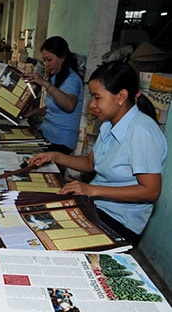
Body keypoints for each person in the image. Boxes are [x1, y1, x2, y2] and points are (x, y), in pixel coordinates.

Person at [27, 61, 167, 246]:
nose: (92, 105)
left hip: (118, 221)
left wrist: (92, 190)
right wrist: (55, 156)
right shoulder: (110, 124)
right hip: (95, 206)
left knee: (46, 238)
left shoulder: (142, 132)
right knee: (34, 213)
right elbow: (91, 163)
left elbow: (151, 191)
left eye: (97, 97)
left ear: (121, 96)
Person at [22, 36, 84, 154]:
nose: (46, 64)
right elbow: (53, 107)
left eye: (49, 60)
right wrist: (35, 112)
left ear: (62, 58)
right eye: (44, 60)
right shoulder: (57, 77)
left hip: (60, 141)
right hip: (47, 133)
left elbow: (69, 105)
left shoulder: (72, 80)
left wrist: (44, 83)